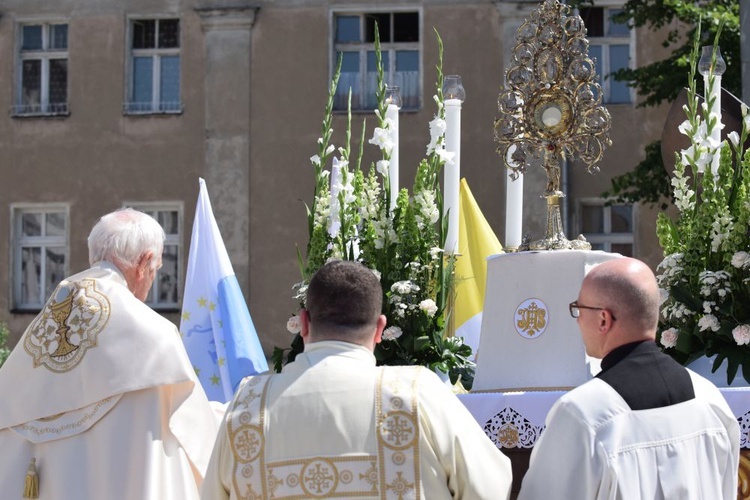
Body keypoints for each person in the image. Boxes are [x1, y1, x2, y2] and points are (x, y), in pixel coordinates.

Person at [201, 260, 513, 500]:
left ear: (304, 322)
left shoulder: (247, 405)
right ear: (380, 329)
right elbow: (488, 486)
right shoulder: (420, 393)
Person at [0, 208, 219, 499]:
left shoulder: (42, 331)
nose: (152, 281)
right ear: (144, 263)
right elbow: (198, 440)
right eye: (155, 270)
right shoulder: (155, 336)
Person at [518, 257, 740, 499]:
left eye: (579, 309)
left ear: (603, 319)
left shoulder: (584, 415)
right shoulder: (708, 399)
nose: (579, 319)